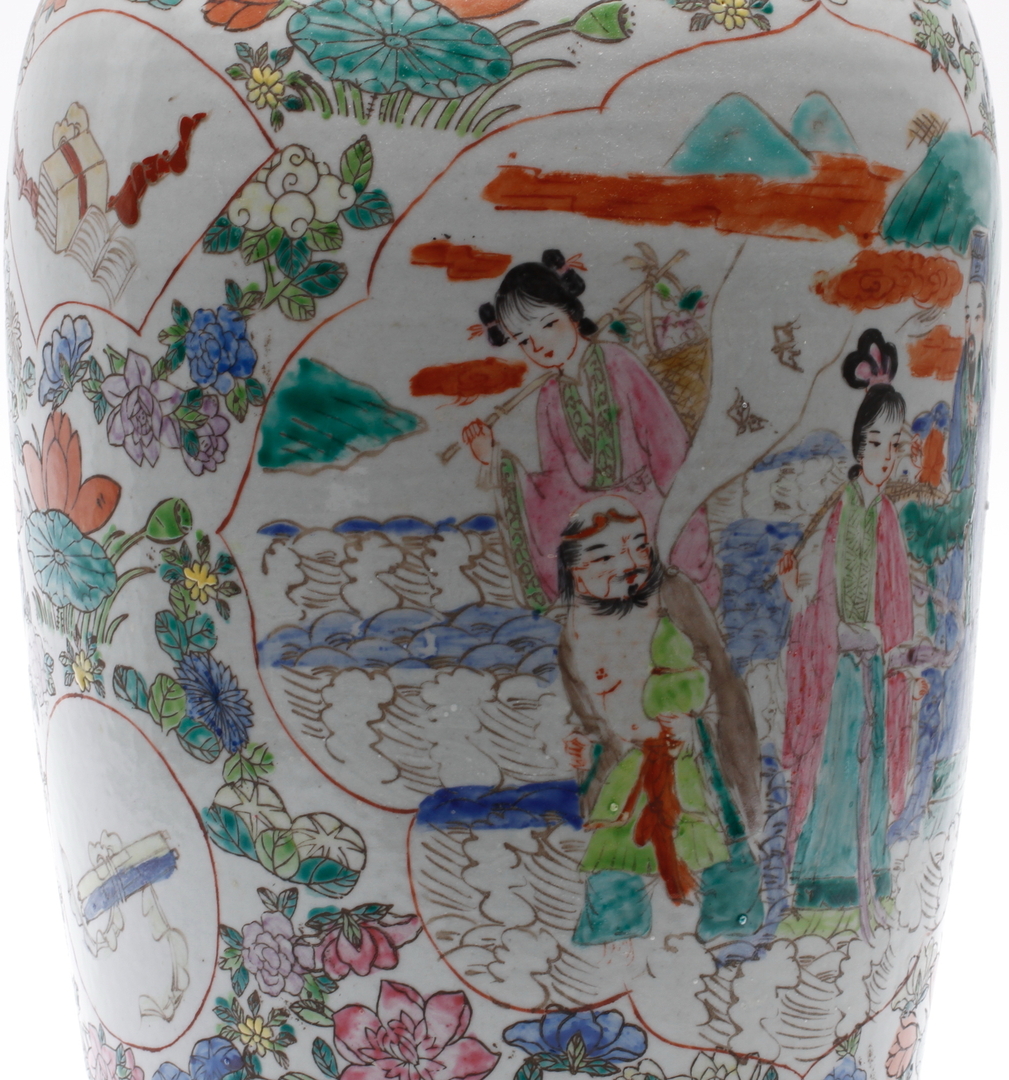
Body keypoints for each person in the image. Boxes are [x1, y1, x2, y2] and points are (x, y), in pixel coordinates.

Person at [462, 250, 719, 612]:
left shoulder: (619, 362)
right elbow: (557, 488)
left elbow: (671, 452)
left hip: (654, 517)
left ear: (570, 312)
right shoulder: (550, 398)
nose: (539, 346)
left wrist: (680, 523)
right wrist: (495, 459)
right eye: (524, 340)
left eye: (548, 325)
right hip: (601, 534)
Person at [556, 496, 760, 946]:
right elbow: (586, 708)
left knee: (714, 836)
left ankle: (733, 923)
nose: (628, 564)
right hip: (629, 761)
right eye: (604, 557)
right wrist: (585, 747)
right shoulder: (575, 626)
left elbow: (716, 668)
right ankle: (615, 929)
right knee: (615, 848)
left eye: (638, 547)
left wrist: (693, 721)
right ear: (575, 571)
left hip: (691, 752)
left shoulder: (672, 595)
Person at [777, 330, 925, 938]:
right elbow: (822, 602)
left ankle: (871, 883)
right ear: (858, 445)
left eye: (895, 443)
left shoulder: (884, 514)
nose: (886, 455)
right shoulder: (840, 510)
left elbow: (896, 606)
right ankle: (823, 886)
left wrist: (902, 661)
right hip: (840, 669)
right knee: (836, 768)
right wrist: (797, 599)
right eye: (875, 442)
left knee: (869, 774)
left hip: (875, 670)